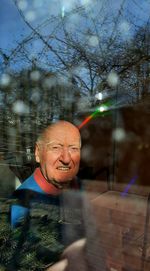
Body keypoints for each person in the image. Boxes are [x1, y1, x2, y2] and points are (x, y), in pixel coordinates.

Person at [11, 120, 82, 228]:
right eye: (56, 148)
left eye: (74, 148)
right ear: (38, 153)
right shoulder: (22, 206)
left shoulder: (82, 188)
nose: (66, 159)